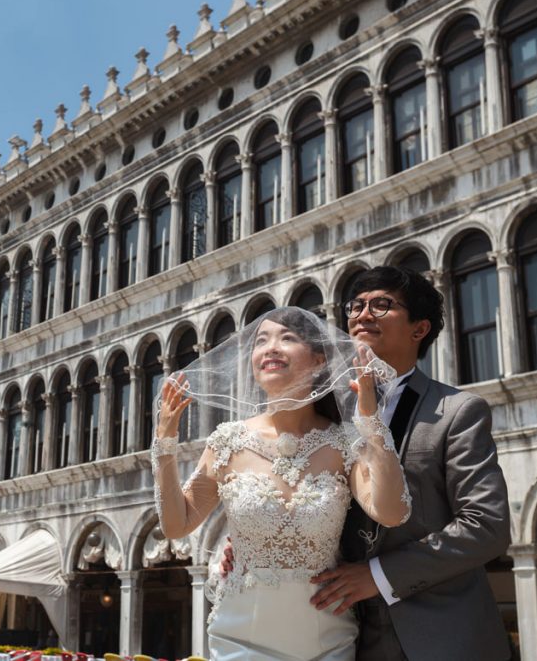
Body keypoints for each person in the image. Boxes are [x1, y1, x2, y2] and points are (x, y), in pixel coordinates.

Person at [153, 307, 411, 660]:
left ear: (319, 360)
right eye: (261, 341)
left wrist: (371, 421)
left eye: (287, 338)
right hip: (240, 638)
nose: (271, 348)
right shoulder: (227, 442)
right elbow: (176, 524)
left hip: (326, 639)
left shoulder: (343, 443)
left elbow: (392, 512)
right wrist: (165, 444)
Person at [309, 266, 510, 660]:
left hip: (442, 637)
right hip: (339, 634)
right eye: (357, 305)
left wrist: (379, 576)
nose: (362, 315)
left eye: (382, 305)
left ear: (419, 329)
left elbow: (487, 526)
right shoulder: (323, 410)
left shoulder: (457, 411)